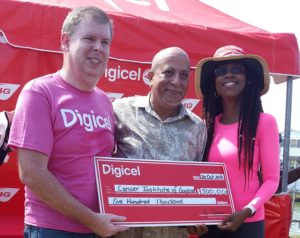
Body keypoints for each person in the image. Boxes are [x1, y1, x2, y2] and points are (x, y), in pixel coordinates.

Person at [8, 6, 128, 238]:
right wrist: (92, 220)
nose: (98, 48)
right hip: (52, 230)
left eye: (105, 42)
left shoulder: (104, 101)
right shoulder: (40, 92)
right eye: (89, 38)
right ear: (66, 42)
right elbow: (32, 173)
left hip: (99, 228)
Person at [112, 47, 208, 238]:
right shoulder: (119, 111)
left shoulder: (197, 127)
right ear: (150, 76)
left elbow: (195, 185)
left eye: (184, 75)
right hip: (123, 234)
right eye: (168, 72)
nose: (176, 82)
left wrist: (195, 218)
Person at [194, 45, 280, 237]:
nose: (229, 75)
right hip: (210, 224)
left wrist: (248, 210)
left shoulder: (264, 122)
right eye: (221, 71)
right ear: (214, 82)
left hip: (248, 223)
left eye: (237, 70)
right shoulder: (205, 126)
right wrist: (195, 214)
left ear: (248, 78)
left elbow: (272, 180)